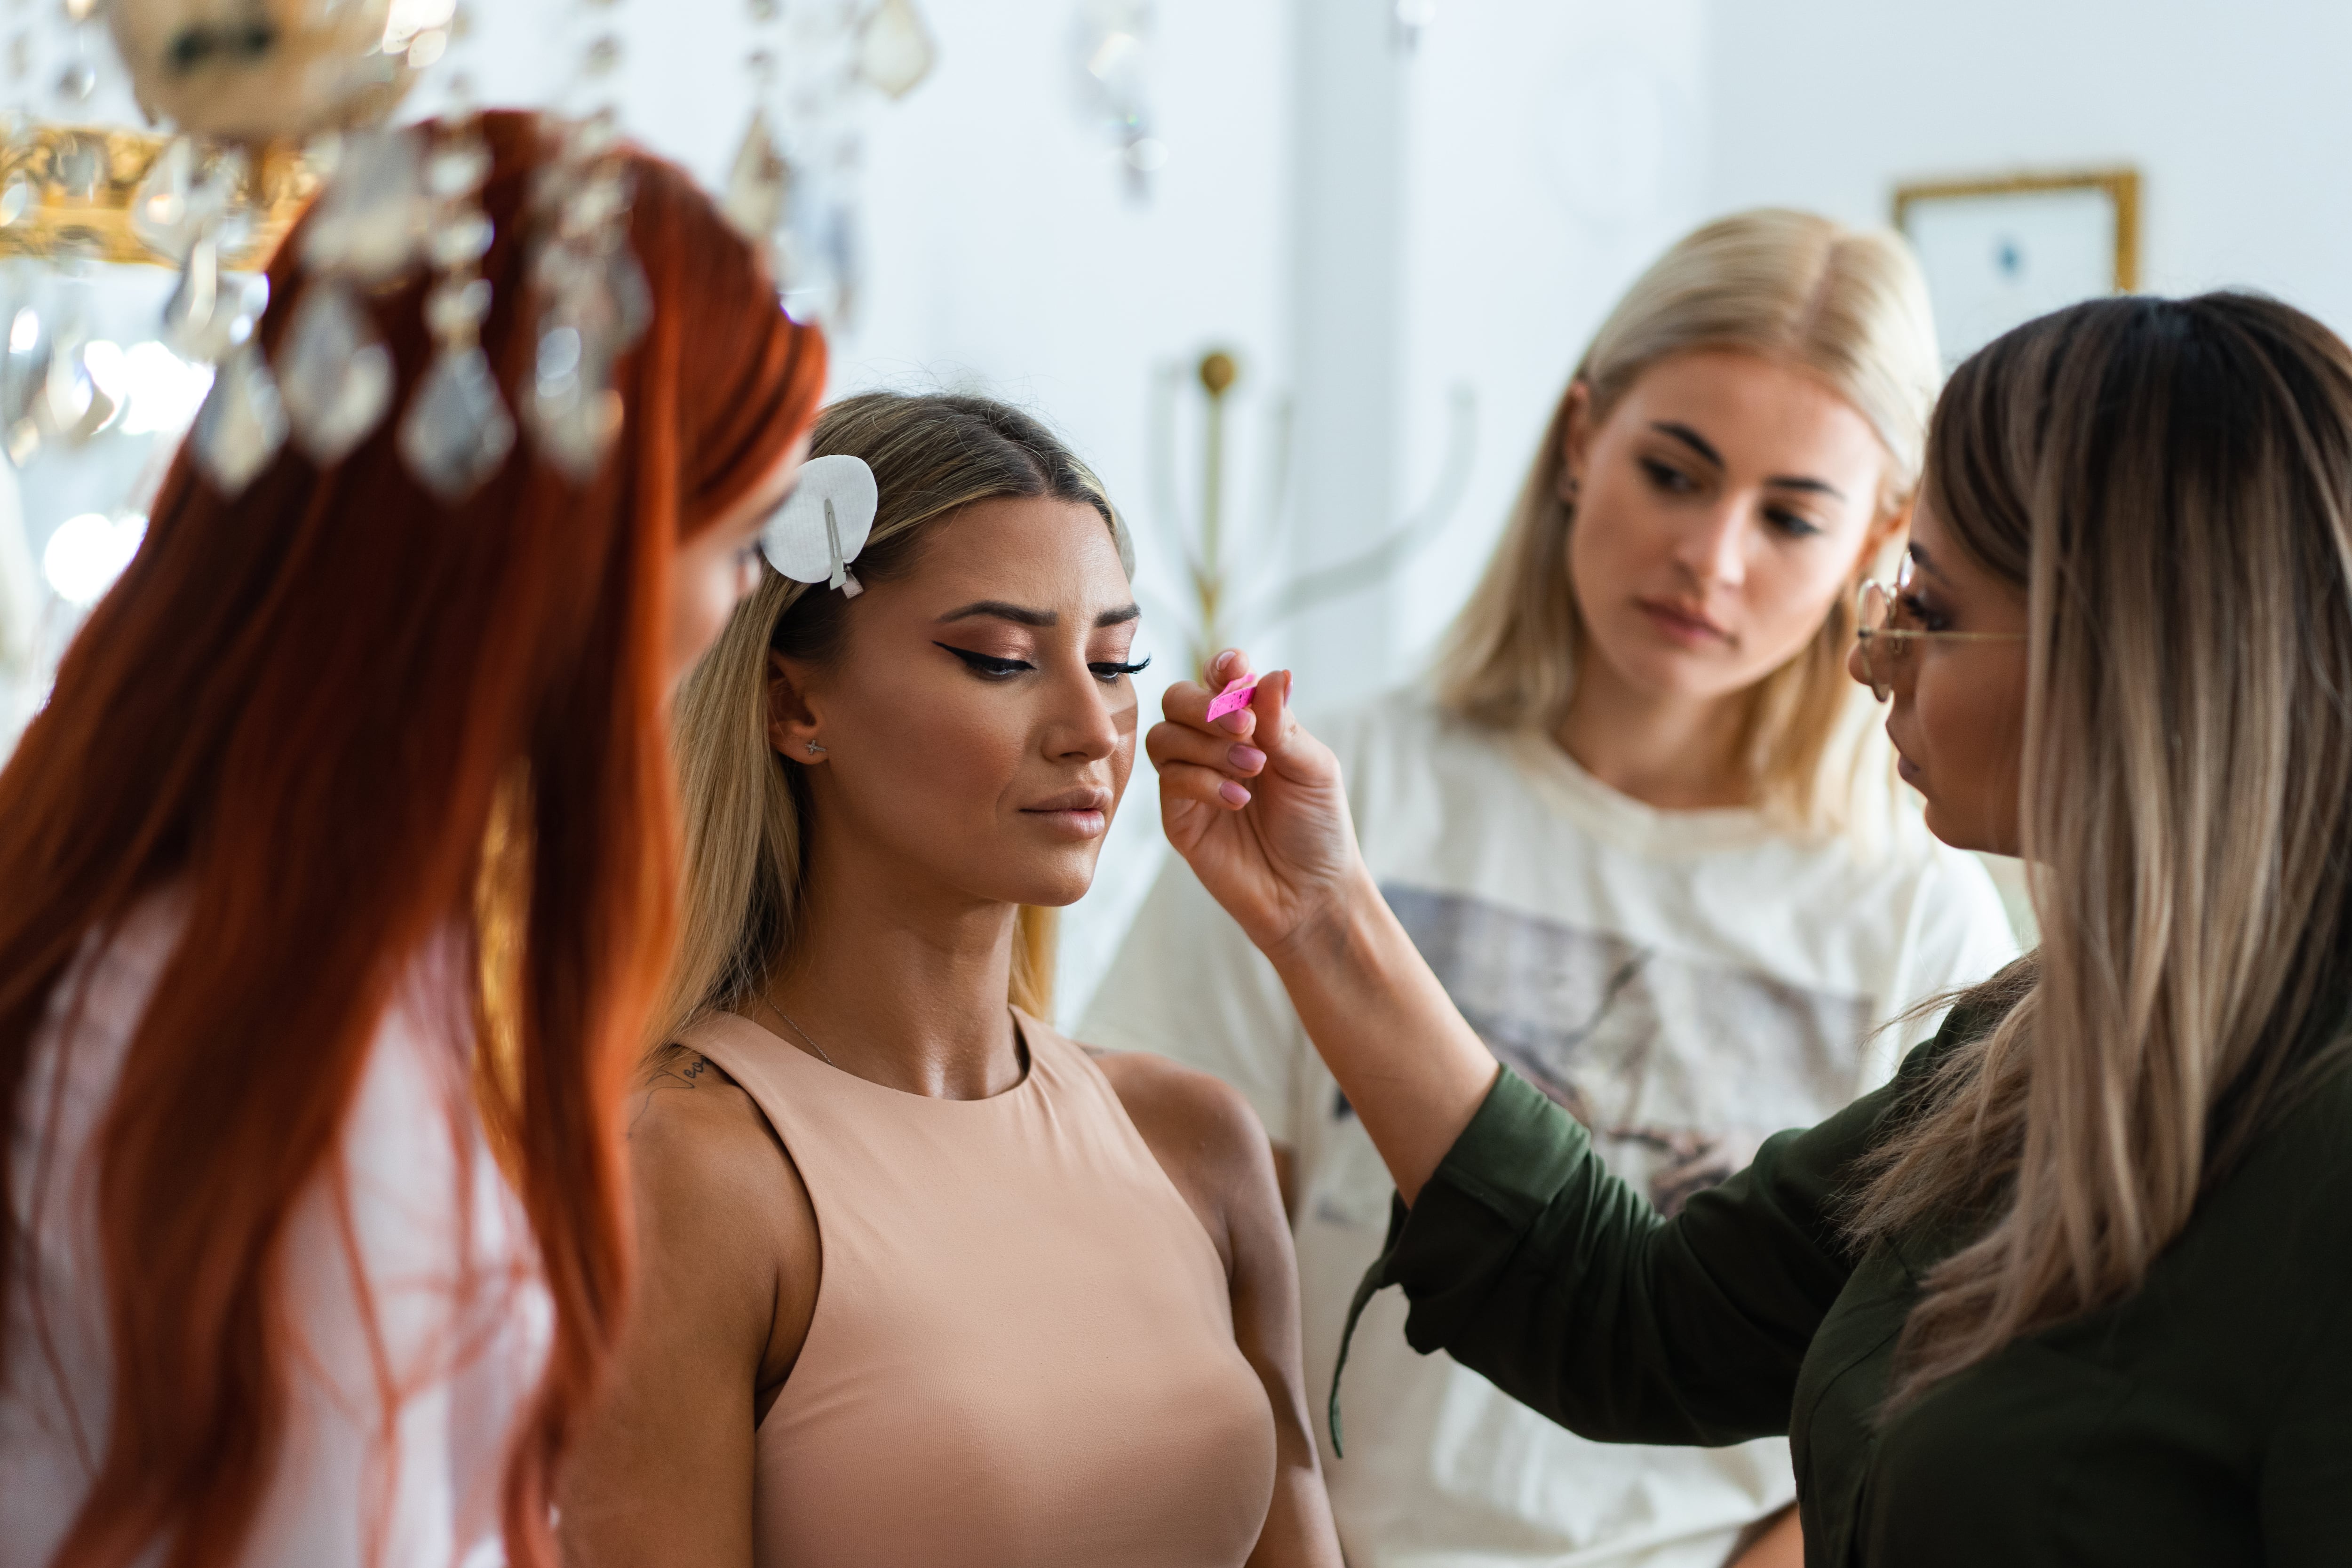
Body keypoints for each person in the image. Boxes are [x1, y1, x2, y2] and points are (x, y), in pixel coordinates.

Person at [1146, 291, 2352, 1566]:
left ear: (2122, 650)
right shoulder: (2035, 1047)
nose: (1870, 654)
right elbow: (1640, 1321)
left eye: (1931, 609)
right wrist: (1323, 915)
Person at [1083, 209, 2015, 1568]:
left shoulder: (1918, 908)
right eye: (1675, 473)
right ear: (1582, 440)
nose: (1714, 556)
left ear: (1879, 531)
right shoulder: (1332, 800)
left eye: (1791, 513)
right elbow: (1167, 1247)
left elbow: (1920, 1378)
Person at [0, 112, 825, 1568]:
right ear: (572, 544)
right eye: (735, 538)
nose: (733, 611)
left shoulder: (251, 955)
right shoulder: (275, 1042)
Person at [558, 391, 1343, 1568]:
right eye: (1000, 660)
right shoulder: (690, 1174)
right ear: (795, 702)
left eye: (1116, 659)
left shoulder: (1195, 1144)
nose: (1094, 726)